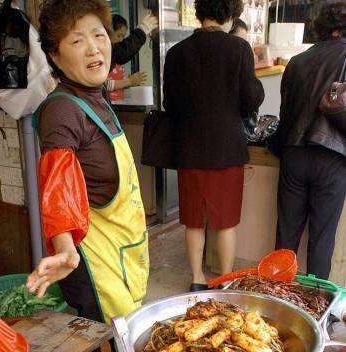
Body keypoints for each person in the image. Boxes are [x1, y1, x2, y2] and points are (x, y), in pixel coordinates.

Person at [26, 0, 149, 324]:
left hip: (123, 250)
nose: (93, 48)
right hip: (95, 266)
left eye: (99, 35)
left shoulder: (97, 94)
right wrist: (64, 247)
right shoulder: (63, 110)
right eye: (77, 40)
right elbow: (57, 187)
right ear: (55, 56)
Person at [163, 0, 264, 291]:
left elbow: (170, 103)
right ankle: (224, 281)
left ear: (199, 13)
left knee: (194, 220)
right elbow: (251, 99)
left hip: (189, 148)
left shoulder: (177, 52)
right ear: (231, 16)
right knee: (226, 220)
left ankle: (196, 278)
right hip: (226, 148)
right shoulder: (239, 49)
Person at [274, 0, 346, 279]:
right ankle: (316, 311)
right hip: (333, 157)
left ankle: (276, 304)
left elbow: (285, 112)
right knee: (321, 239)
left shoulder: (298, 61)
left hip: (293, 153)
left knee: (286, 235)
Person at [107, 14, 147, 101]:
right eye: (119, 35)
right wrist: (129, 81)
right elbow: (104, 85)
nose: (121, 40)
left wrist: (129, 83)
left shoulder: (113, 60)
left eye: (123, 36)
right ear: (109, 31)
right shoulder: (102, 55)